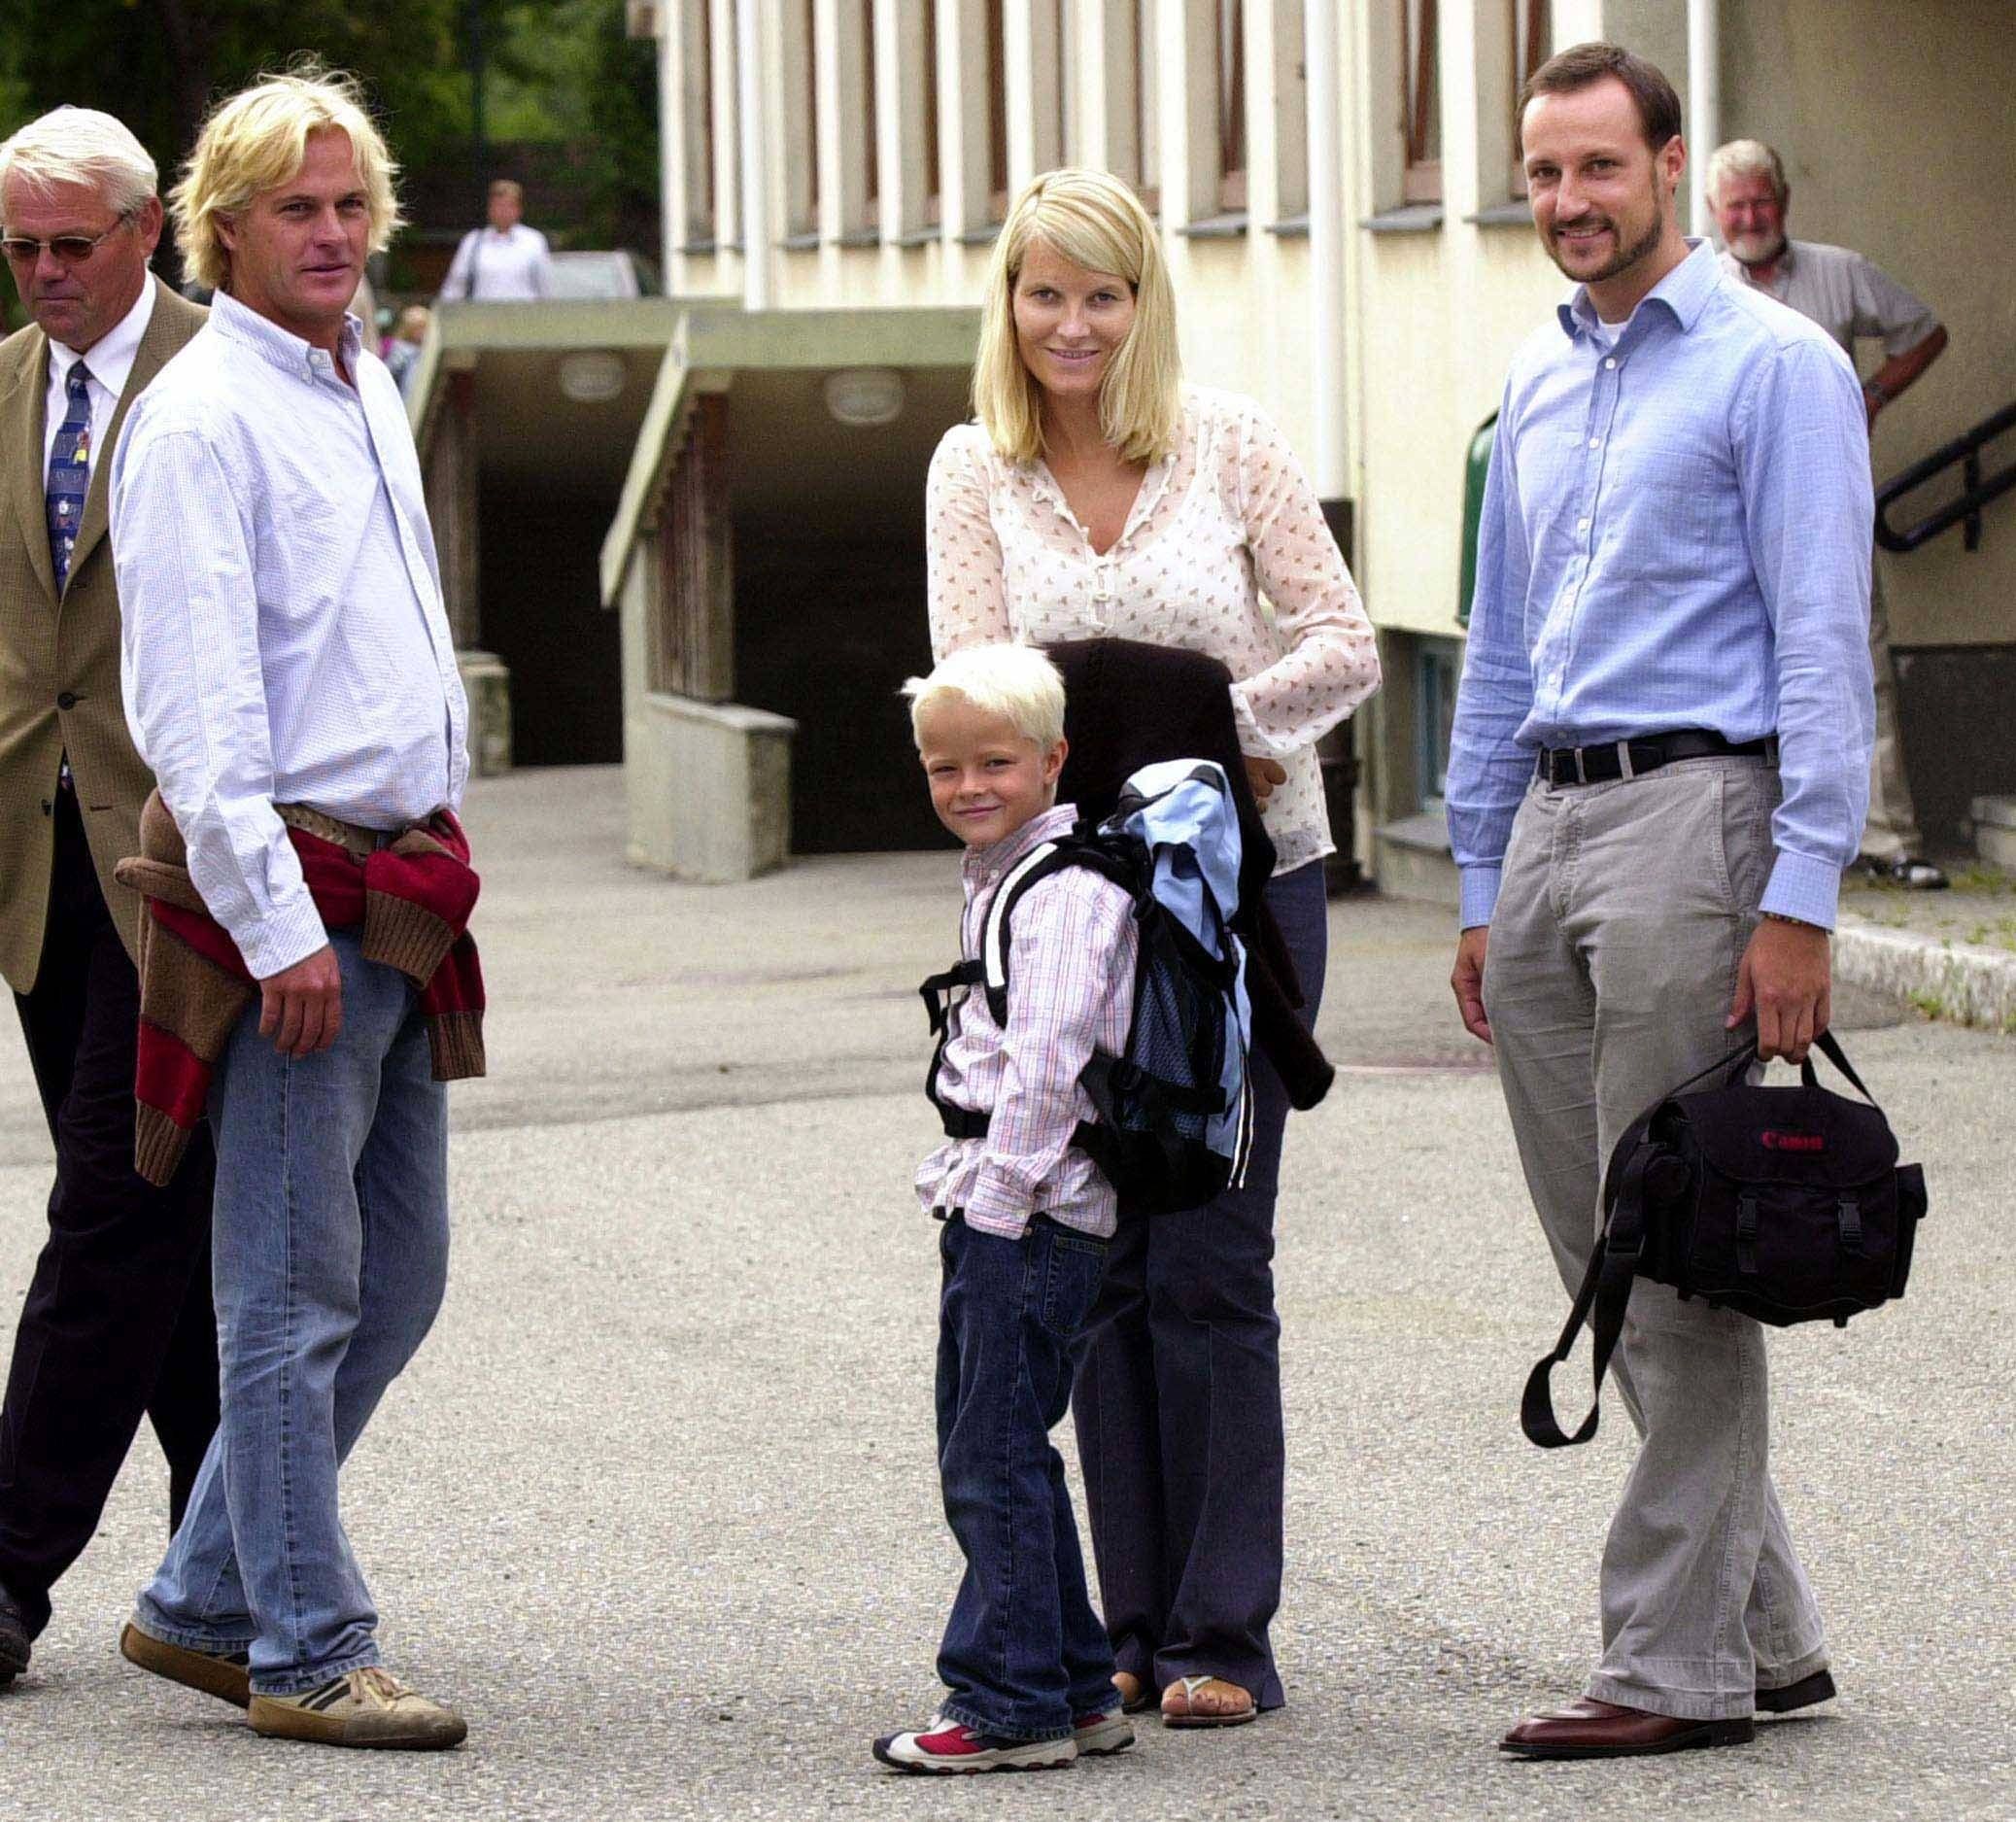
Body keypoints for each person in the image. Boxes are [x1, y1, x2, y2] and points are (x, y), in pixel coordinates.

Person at [1446, 43, 1874, 1759]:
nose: (1567, 204)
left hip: (1701, 820)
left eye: (1598, 171)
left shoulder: (1779, 371)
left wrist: (1804, 895)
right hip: (1550, 824)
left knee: (1675, 1254)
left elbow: (1826, 640)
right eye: (1543, 174)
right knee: (1601, 1248)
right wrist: (1481, 874)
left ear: (1675, 168)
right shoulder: (1538, 386)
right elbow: (1493, 652)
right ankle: (1762, 1631)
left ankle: (1670, 1665)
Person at [926, 168, 1380, 1727]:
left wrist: (1210, 728)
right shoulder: (967, 471)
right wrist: (1115, 735)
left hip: (1242, 897)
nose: (1071, 324)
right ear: (1009, 305)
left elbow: (1345, 639)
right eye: (1044, 294)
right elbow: (974, 691)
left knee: (1209, 1255)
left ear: (1142, 304)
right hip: (1061, 914)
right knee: (1091, 1258)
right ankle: (1122, 1623)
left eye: (1101, 293)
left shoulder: (1230, 441)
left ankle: (1220, 1632)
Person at [107, 68, 479, 1751]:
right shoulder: (200, 418)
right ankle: (307, 1648)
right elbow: (193, 709)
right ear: (225, 227)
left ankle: (199, 1601)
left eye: (348, 206)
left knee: (393, 1274)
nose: (329, 235)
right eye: (293, 210)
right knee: (289, 1290)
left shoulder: (358, 381)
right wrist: (274, 935)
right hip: (299, 902)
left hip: (400, 888)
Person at [0, 106, 219, 1693]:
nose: (47, 273)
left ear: (148, 229)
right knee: (165, 1248)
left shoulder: (230, 376)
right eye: (21, 248)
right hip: (33, 867)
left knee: (110, 1213)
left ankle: (6, 1572)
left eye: (73, 244)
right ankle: (253, 1562)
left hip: (187, 876)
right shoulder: (1, 386)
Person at [873, 642, 1137, 1775]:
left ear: (1052, 759)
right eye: (944, 768)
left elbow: (1046, 1062)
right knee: (1007, 1443)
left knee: (989, 1454)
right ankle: (1075, 1687)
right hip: (1010, 1201)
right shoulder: (1007, 874)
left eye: (994, 762)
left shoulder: (1065, 891)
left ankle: (1008, 1703)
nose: (968, 786)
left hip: (1029, 1208)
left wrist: (997, 1204)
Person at [1707, 137, 1950, 890]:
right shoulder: (1702, 286)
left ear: (1782, 200)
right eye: (1735, 205)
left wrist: (1872, 395)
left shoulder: (1837, 273)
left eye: (1761, 200)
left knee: (1857, 665)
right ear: (1714, 215)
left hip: (1828, 508)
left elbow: (1924, 331)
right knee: (1741, 672)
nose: (1750, 216)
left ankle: (1888, 837)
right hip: (1730, 520)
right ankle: (1766, 844)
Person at [436, 178, 551, 301]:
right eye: (498, 205)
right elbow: (455, 286)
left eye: (509, 206)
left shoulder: (533, 241)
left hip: (524, 317)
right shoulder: (473, 241)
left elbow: (546, 286)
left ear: (519, 210)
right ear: (489, 209)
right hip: (482, 316)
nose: (503, 211)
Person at [383, 301, 429, 394]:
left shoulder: (428, 350)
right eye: (418, 327)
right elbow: (388, 373)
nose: (422, 332)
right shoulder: (400, 350)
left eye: (425, 327)